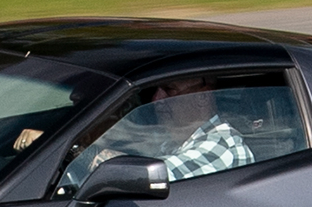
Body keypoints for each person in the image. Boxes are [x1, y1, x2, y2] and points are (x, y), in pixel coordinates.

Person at [65, 77, 256, 189]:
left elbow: (148, 176)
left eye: (169, 90)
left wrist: (75, 151)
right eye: (156, 91)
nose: (157, 99)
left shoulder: (221, 146)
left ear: (202, 97)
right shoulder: (174, 142)